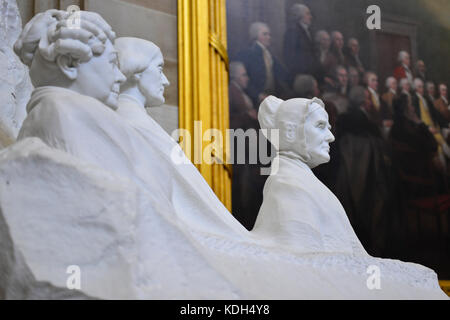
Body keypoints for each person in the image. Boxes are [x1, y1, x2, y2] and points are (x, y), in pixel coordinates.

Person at [253, 96, 366, 255]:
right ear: (290, 132)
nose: (330, 136)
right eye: (320, 126)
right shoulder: (287, 185)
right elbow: (302, 259)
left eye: (328, 127)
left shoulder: (302, 181)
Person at [334, 86, 393, 255]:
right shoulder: (368, 126)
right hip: (367, 179)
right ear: (362, 102)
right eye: (367, 98)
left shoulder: (344, 120)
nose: (370, 102)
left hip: (348, 179)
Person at [237, 22, 288, 106]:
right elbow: (244, 80)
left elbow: (282, 73)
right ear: (255, 36)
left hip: (272, 97)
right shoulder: (249, 54)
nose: (268, 37)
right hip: (257, 100)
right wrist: (258, 95)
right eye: (264, 34)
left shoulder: (269, 53)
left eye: (269, 34)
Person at [283, 4, 319, 81]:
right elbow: (290, 56)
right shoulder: (293, 31)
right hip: (300, 76)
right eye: (308, 14)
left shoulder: (309, 31)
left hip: (311, 74)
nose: (310, 17)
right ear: (300, 15)